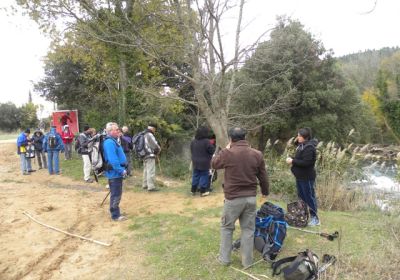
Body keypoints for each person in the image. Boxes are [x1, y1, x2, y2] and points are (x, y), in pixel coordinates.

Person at [212, 127, 269, 268]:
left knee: (227, 228)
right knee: (248, 230)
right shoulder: (257, 154)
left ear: (231, 139)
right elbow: (263, 176)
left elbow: (213, 164)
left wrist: (223, 149)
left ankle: (224, 259)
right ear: (245, 137)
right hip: (250, 198)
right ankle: (247, 262)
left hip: (233, 199)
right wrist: (265, 191)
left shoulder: (227, 153)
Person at [286, 127, 320, 226]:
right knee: (301, 197)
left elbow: (306, 163)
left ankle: (315, 218)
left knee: (309, 197)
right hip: (300, 176)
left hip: (307, 177)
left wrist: (292, 161)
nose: (297, 137)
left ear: (305, 137)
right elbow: (299, 158)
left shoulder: (309, 147)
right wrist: (292, 158)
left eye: (299, 136)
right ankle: (303, 216)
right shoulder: (301, 145)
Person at [103, 122, 127, 221]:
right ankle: (115, 215)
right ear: (110, 131)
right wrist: (121, 170)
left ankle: (115, 211)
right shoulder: (109, 142)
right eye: (116, 129)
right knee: (116, 194)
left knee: (116, 193)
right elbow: (113, 160)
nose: (118, 131)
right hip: (115, 173)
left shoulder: (113, 141)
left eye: (118, 129)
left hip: (116, 172)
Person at [190, 126, 215, 196]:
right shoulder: (206, 141)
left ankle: (193, 190)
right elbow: (212, 150)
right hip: (204, 162)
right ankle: (203, 191)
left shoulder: (193, 141)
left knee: (195, 175)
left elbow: (191, 151)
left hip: (195, 161)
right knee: (204, 175)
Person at [142, 124, 161, 192]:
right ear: (153, 128)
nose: (155, 131)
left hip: (143, 154)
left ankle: (145, 185)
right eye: (155, 129)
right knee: (151, 171)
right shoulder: (149, 134)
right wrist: (159, 149)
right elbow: (155, 145)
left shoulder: (143, 134)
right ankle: (151, 187)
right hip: (150, 154)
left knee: (146, 170)